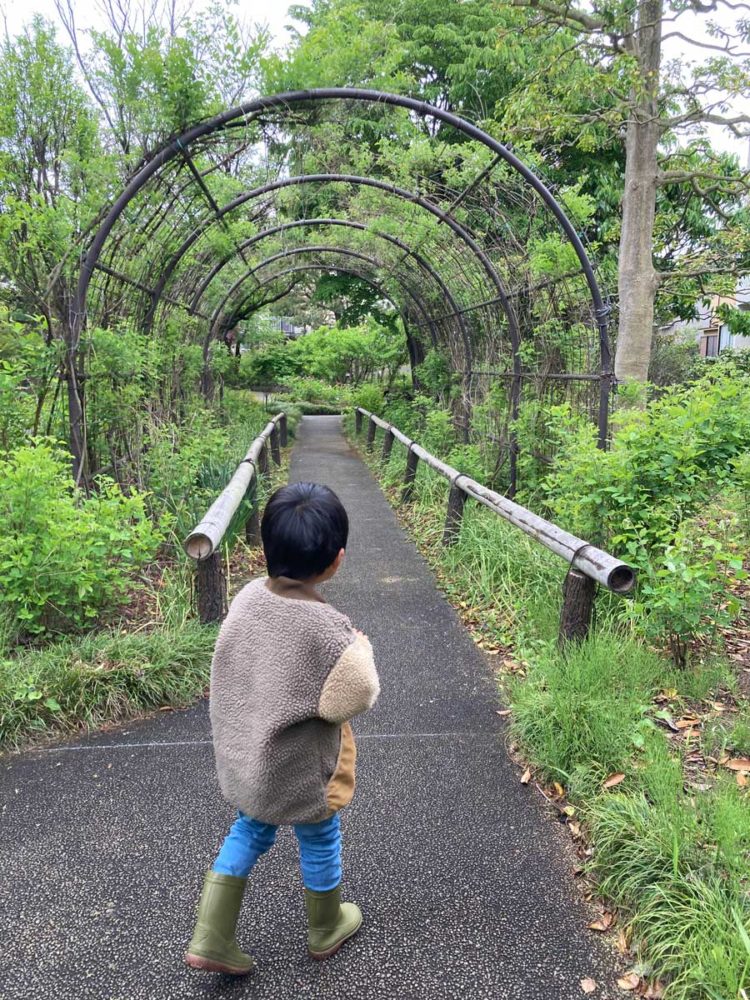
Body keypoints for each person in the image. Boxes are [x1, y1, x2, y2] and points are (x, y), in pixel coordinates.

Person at [184, 482, 380, 975]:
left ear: (266, 550)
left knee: (250, 828)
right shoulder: (327, 629)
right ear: (337, 560)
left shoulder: (249, 598)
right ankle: (326, 926)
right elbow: (353, 696)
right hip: (300, 766)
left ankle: (210, 936)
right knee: (319, 834)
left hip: (249, 750)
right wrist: (360, 645)